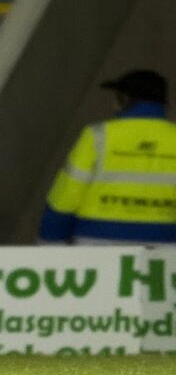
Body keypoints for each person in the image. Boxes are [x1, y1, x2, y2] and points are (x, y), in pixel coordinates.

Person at [39, 70, 176, 245]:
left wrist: (50, 240)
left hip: (97, 242)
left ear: (124, 99)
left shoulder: (98, 135)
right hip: (165, 247)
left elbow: (67, 194)